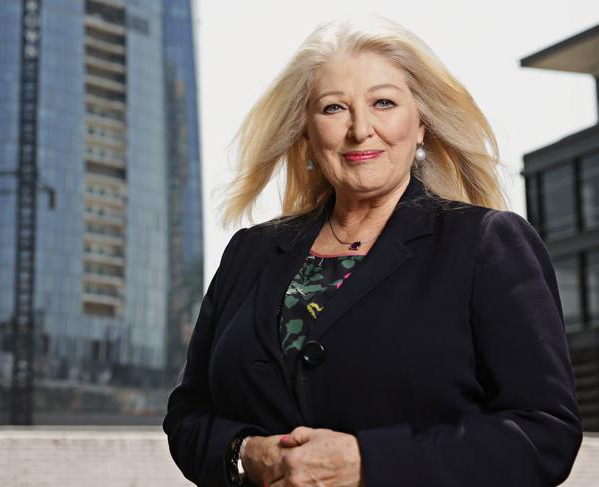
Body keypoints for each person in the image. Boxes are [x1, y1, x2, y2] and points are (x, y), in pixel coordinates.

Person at [163, 16, 582, 487]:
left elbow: (545, 434)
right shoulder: (249, 253)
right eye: (333, 108)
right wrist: (245, 455)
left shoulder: (487, 243)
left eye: (383, 102)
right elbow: (187, 413)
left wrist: (367, 462)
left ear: (421, 124)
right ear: (305, 132)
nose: (360, 129)